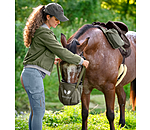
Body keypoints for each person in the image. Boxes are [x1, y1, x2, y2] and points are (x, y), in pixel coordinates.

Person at [20, 3, 89, 130]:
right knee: (39, 112)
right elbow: (61, 51)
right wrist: (80, 61)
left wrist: (52, 60)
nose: (58, 22)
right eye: (56, 19)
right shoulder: (44, 32)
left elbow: (38, 53)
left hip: (30, 74)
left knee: (35, 112)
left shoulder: (41, 31)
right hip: (33, 76)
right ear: (48, 17)